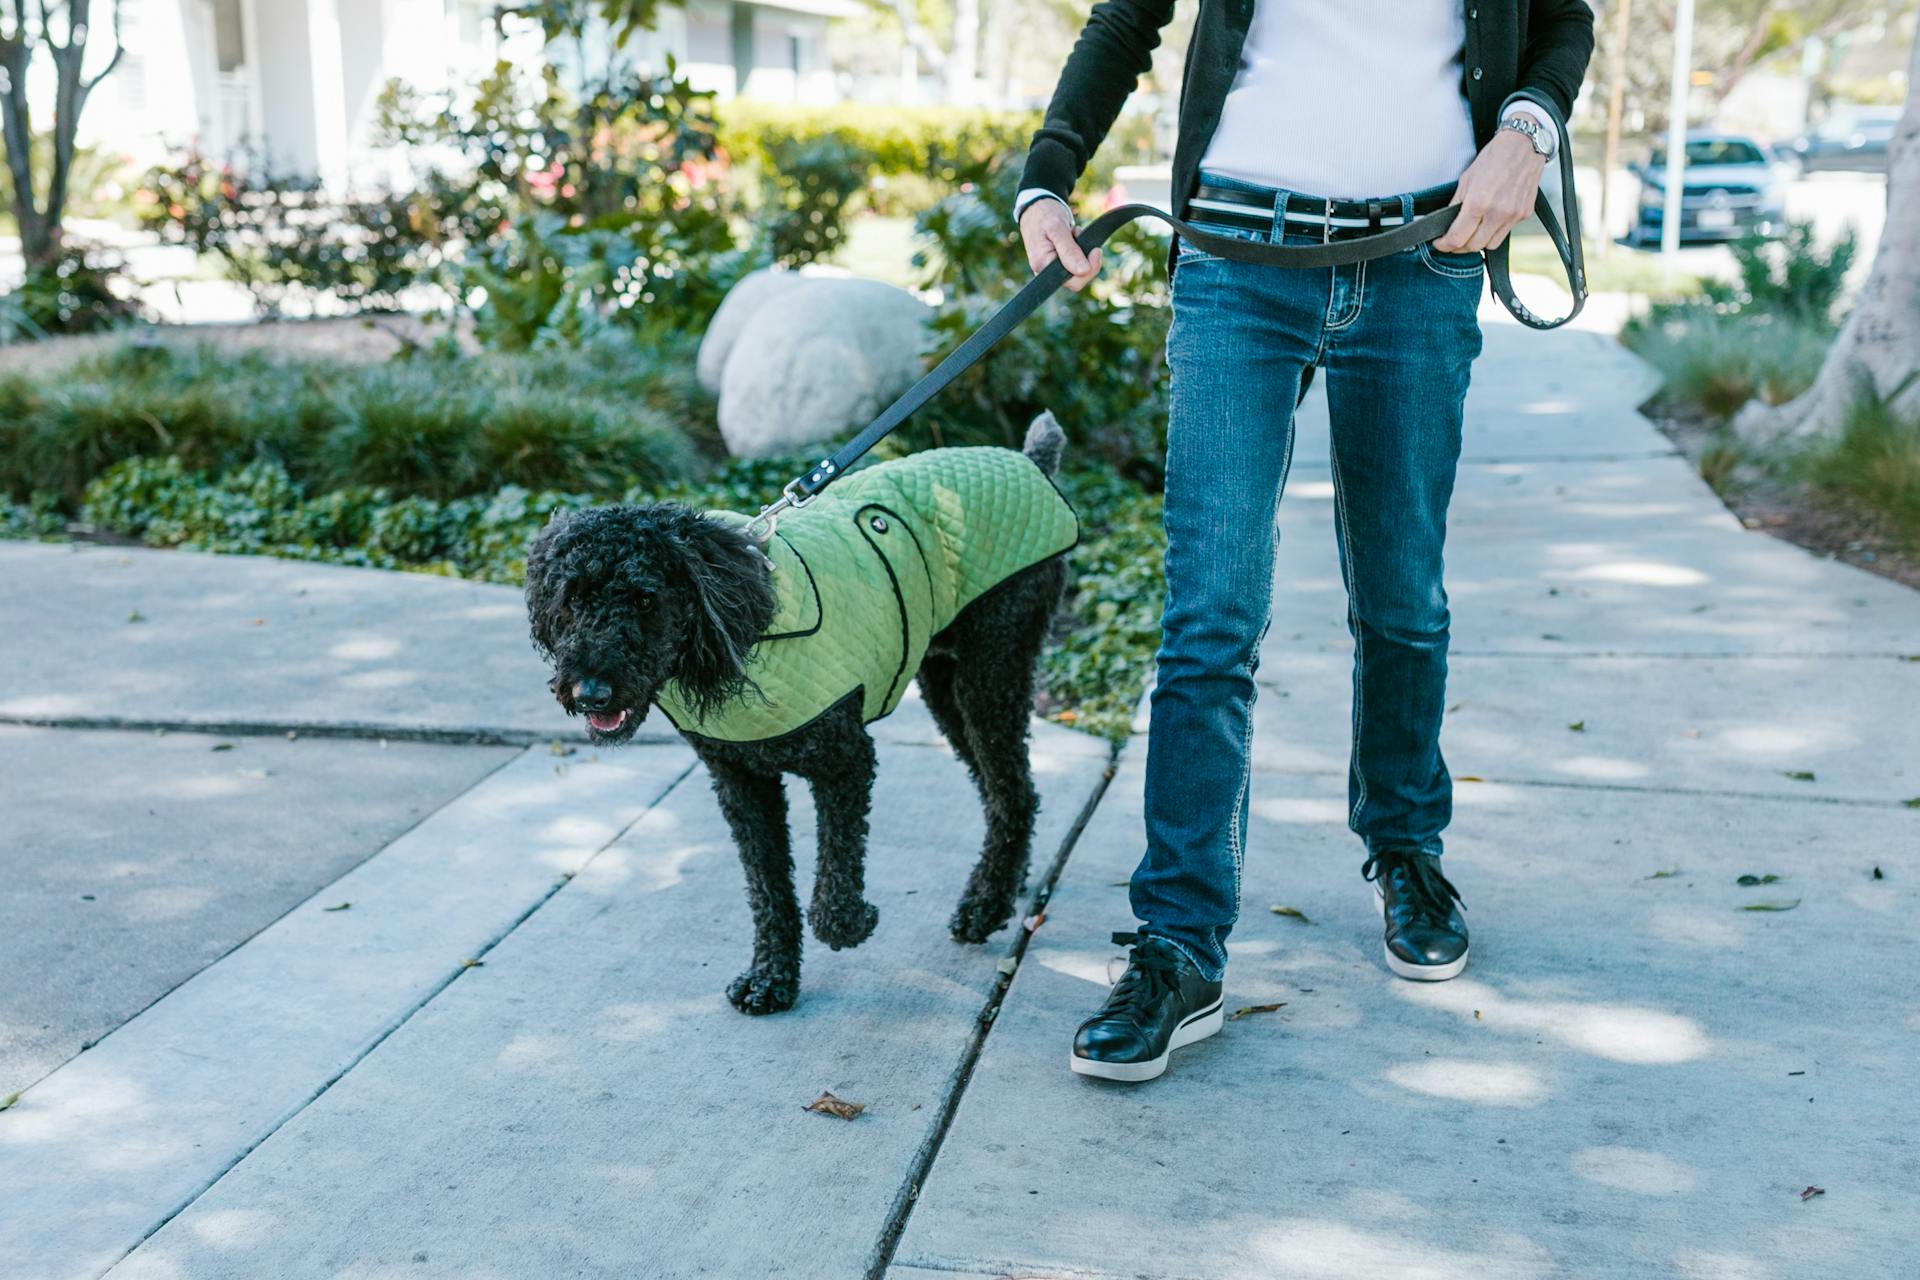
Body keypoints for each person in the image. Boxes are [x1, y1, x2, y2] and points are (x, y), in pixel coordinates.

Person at [1017, 0, 1596, 1083]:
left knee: (1403, 598)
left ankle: (1406, 849)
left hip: (1423, 263)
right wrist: (1049, 173)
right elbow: (1126, 17)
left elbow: (1561, 19)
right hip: (1239, 262)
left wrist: (1528, 127)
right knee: (1210, 618)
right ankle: (1181, 942)